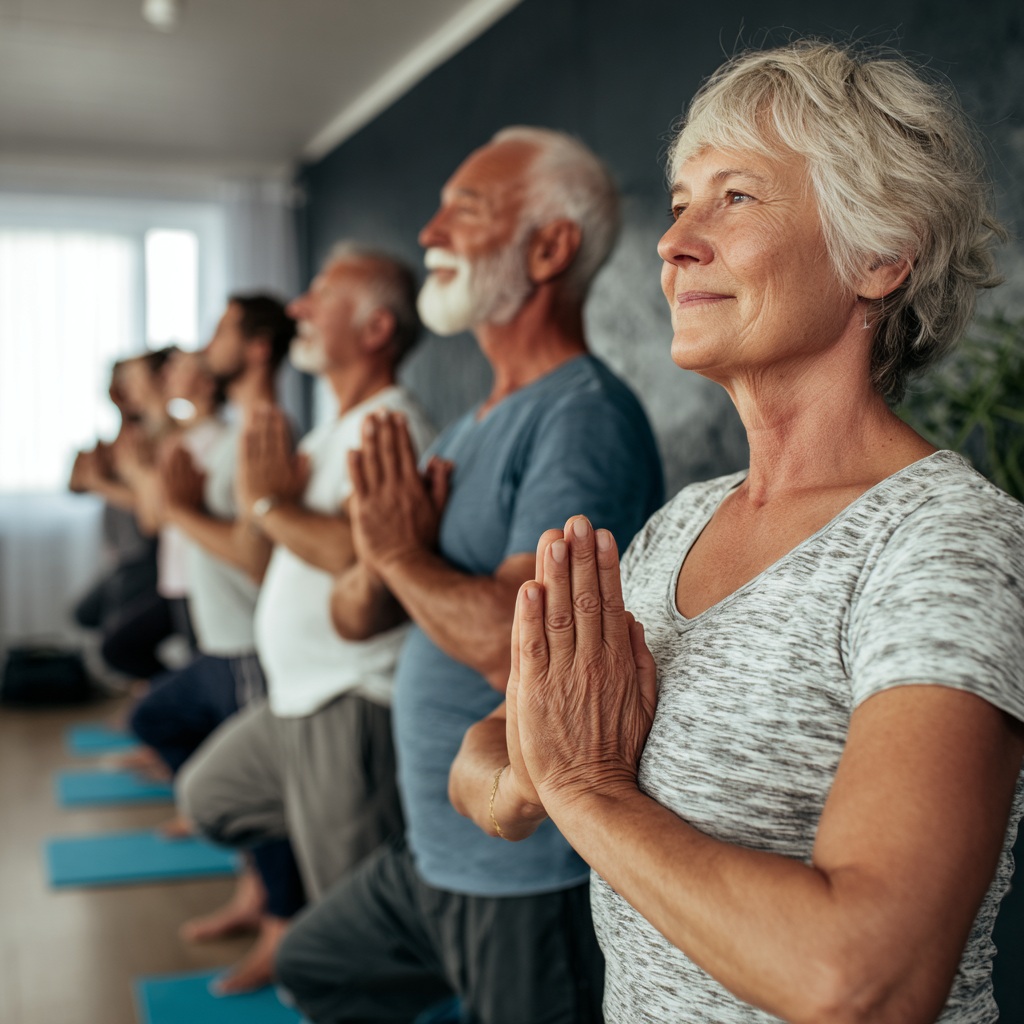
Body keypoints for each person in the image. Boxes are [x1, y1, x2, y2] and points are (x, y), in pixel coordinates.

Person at [454, 42, 1024, 1024]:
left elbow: (862, 981)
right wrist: (521, 786)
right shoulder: (679, 524)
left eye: (735, 197)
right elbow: (493, 742)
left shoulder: (945, 542)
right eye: (679, 202)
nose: (673, 242)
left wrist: (584, 788)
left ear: (879, 254)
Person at [274, 128, 664, 1024]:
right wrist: (383, 551)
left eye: (468, 209)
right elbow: (356, 615)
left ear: (549, 247)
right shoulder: (464, 430)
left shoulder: (582, 417)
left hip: (522, 869)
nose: (430, 229)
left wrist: (401, 554)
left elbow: (512, 653)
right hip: (429, 853)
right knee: (315, 963)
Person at [177, 244, 434, 992]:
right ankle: (294, 925)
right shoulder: (329, 433)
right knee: (209, 798)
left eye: (319, 294)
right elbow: (272, 561)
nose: (298, 308)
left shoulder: (393, 428)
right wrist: (268, 507)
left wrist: (267, 503)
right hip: (294, 700)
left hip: (349, 702)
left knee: (352, 927)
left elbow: (370, 559)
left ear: (377, 327)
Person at [123, 294, 303, 991]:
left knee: (265, 794)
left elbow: (258, 556)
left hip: (252, 647)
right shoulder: (227, 435)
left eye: (223, 328)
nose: (206, 342)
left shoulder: (267, 432)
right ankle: (257, 889)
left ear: (256, 345)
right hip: (218, 643)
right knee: (153, 718)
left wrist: (183, 512)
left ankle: (280, 929)